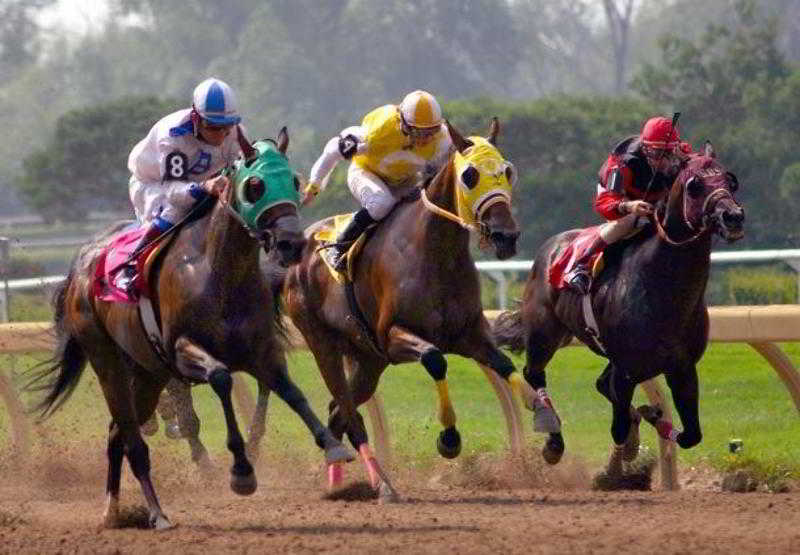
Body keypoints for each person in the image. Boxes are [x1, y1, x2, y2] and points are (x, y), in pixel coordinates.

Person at [302, 90, 453, 271]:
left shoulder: (443, 139)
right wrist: (315, 184)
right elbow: (333, 149)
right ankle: (339, 246)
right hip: (365, 173)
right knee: (381, 203)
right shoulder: (378, 132)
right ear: (403, 125)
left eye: (431, 131)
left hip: (405, 180)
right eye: (419, 133)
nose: (427, 139)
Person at [120, 77, 244, 292]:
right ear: (196, 118)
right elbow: (174, 193)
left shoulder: (236, 130)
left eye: (227, 127)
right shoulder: (173, 136)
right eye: (213, 127)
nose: (222, 135)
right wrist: (205, 187)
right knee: (175, 210)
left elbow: (241, 167)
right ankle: (131, 265)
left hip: (200, 181)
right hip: (153, 183)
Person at [565, 116, 691, 294]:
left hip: (656, 196)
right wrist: (629, 206)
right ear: (646, 150)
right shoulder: (623, 163)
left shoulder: (681, 153)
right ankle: (580, 265)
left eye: (670, 152)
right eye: (658, 154)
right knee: (628, 221)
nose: (666, 161)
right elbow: (605, 203)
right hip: (619, 195)